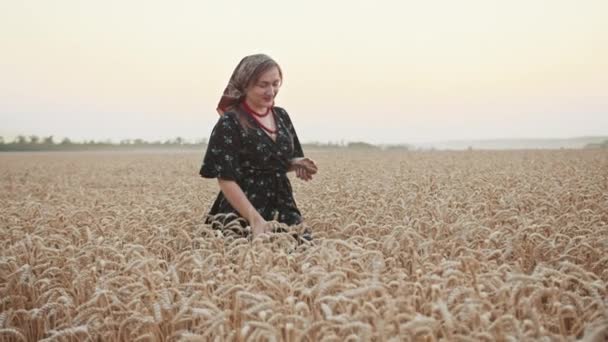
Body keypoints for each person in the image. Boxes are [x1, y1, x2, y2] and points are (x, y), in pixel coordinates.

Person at [199, 54, 318, 239]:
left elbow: (268, 162)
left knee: (299, 260)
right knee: (240, 264)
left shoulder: (282, 116)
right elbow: (226, 178)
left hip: (283, 208)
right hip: (242, 212)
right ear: (245, 85)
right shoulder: (230, 122)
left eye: (275, 83)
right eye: (263, 85)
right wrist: (255, 219)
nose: (271, 91)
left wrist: (294, 163)